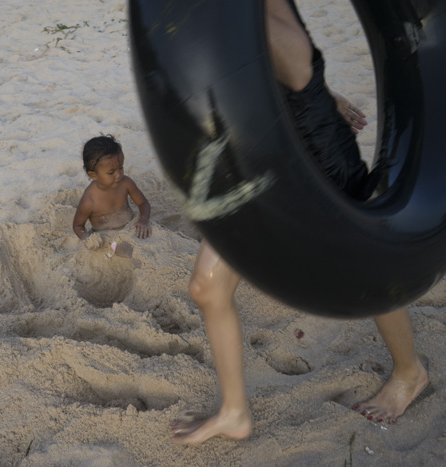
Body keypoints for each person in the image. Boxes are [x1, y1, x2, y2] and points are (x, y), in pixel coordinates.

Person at [170, 0, 429, 446]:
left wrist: (318, 93)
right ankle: (234, 413)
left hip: (315, 158)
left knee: (367, 269)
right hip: (257, 156)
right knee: (206, 287)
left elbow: (296, 62)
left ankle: (410, 373)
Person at [73, 135, 152, 247]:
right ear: (93, 175)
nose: (118, 175)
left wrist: (143, 219)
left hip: (131, 227)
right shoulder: (89, 200)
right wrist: (87, 238)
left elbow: (143, 203)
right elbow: (78, 226)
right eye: (111, 172)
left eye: (121, 168)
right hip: (105, 238)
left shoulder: (126, 183)